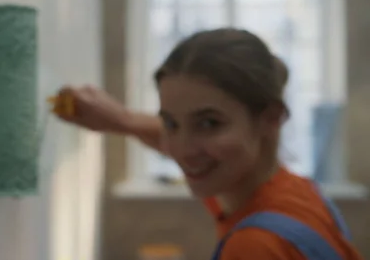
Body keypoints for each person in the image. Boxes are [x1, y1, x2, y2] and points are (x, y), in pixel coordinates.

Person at [52, 28, 363, 260]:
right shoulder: (294, 192)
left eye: (209, 123)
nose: (181, 150)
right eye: (171, 123)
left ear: (270, 119)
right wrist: (120, 120)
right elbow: (185, 145)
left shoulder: (255, 246)